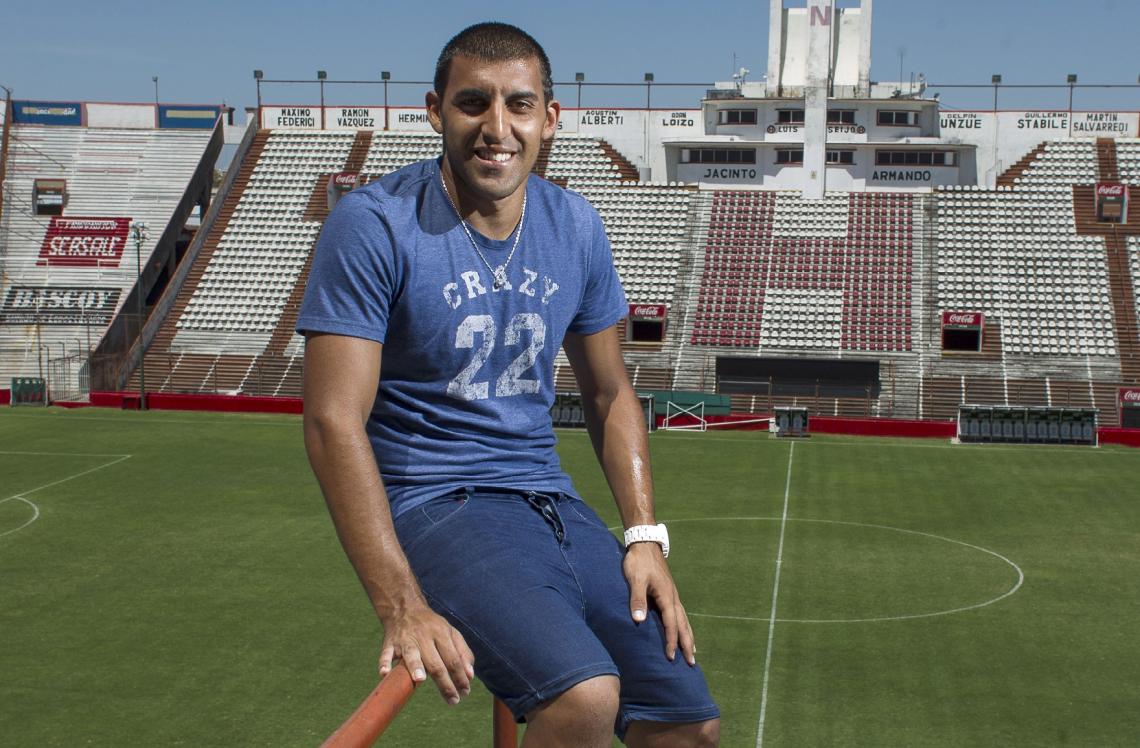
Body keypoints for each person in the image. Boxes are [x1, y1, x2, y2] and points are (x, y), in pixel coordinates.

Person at [297, 21, 719, 747]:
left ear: (549, 119)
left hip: (546, 496)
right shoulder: (375, 224)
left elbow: (611, 392)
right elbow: (333, 420)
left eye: (519, 105)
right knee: (582, 698)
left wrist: (645, 536)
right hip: (434, 500)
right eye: (473, 104)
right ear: (436, 111)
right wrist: (399, 603)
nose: (497, 128)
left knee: (687, 723)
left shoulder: (575, 224)